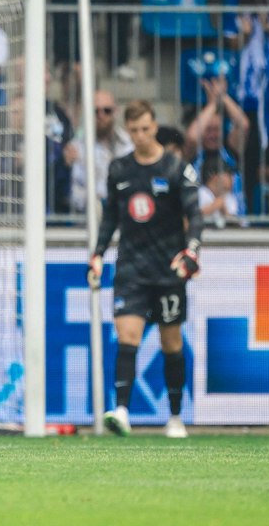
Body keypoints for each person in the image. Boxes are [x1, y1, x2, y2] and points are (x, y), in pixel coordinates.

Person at [85, 99, 201, 439]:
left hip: (168, 270)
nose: (140, 136)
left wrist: (192, 251)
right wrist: (97, 253)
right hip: (131, 269)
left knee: (171, 342)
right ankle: (121, 410)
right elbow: (110, 217)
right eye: (133, 130)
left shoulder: (176, 169)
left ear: (155, 127)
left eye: (145, 129)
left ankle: (176, 417)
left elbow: (195, 215)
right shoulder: (119, 169)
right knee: (127, 337)